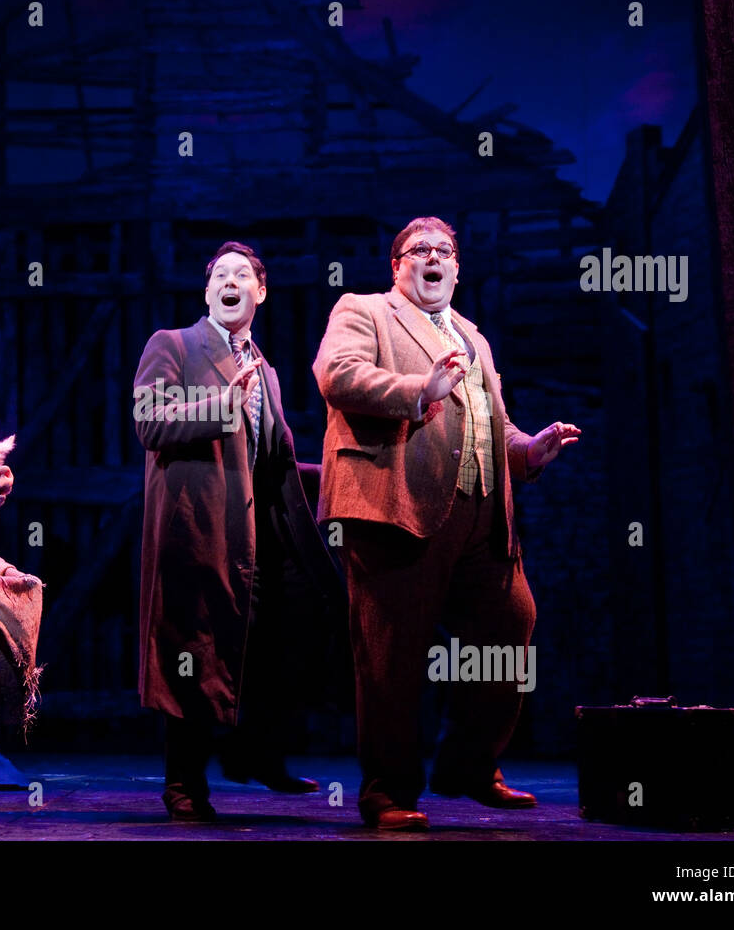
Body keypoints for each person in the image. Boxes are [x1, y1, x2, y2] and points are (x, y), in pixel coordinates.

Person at [312, 217, 581, 830]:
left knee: (511, 623)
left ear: (457, 268)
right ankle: (387, 790)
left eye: (444, 251)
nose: (431, 258)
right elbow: (337, 375)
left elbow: (493, 424)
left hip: (482, 513)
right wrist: (418, 386)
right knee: (391, 654)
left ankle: (467, 765)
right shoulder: (365, 310)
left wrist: (529, 450)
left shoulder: (474, 338)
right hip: (394, 504)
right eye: (418, 251)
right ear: (397, 266)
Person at [133, 241, 345, 822]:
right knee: (193, 650)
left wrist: (343, 476)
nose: (231, 282)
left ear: (260, 292)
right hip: (197, 529)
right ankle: (183, 784)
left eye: (243, 275)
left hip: (259, 532)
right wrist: (224, 402)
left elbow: (270, 456)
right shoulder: (173, 345)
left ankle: (257, 755)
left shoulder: (267, 370)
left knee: (275, 641)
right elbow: (150, 422)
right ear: (208, 292)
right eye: (220, 275)